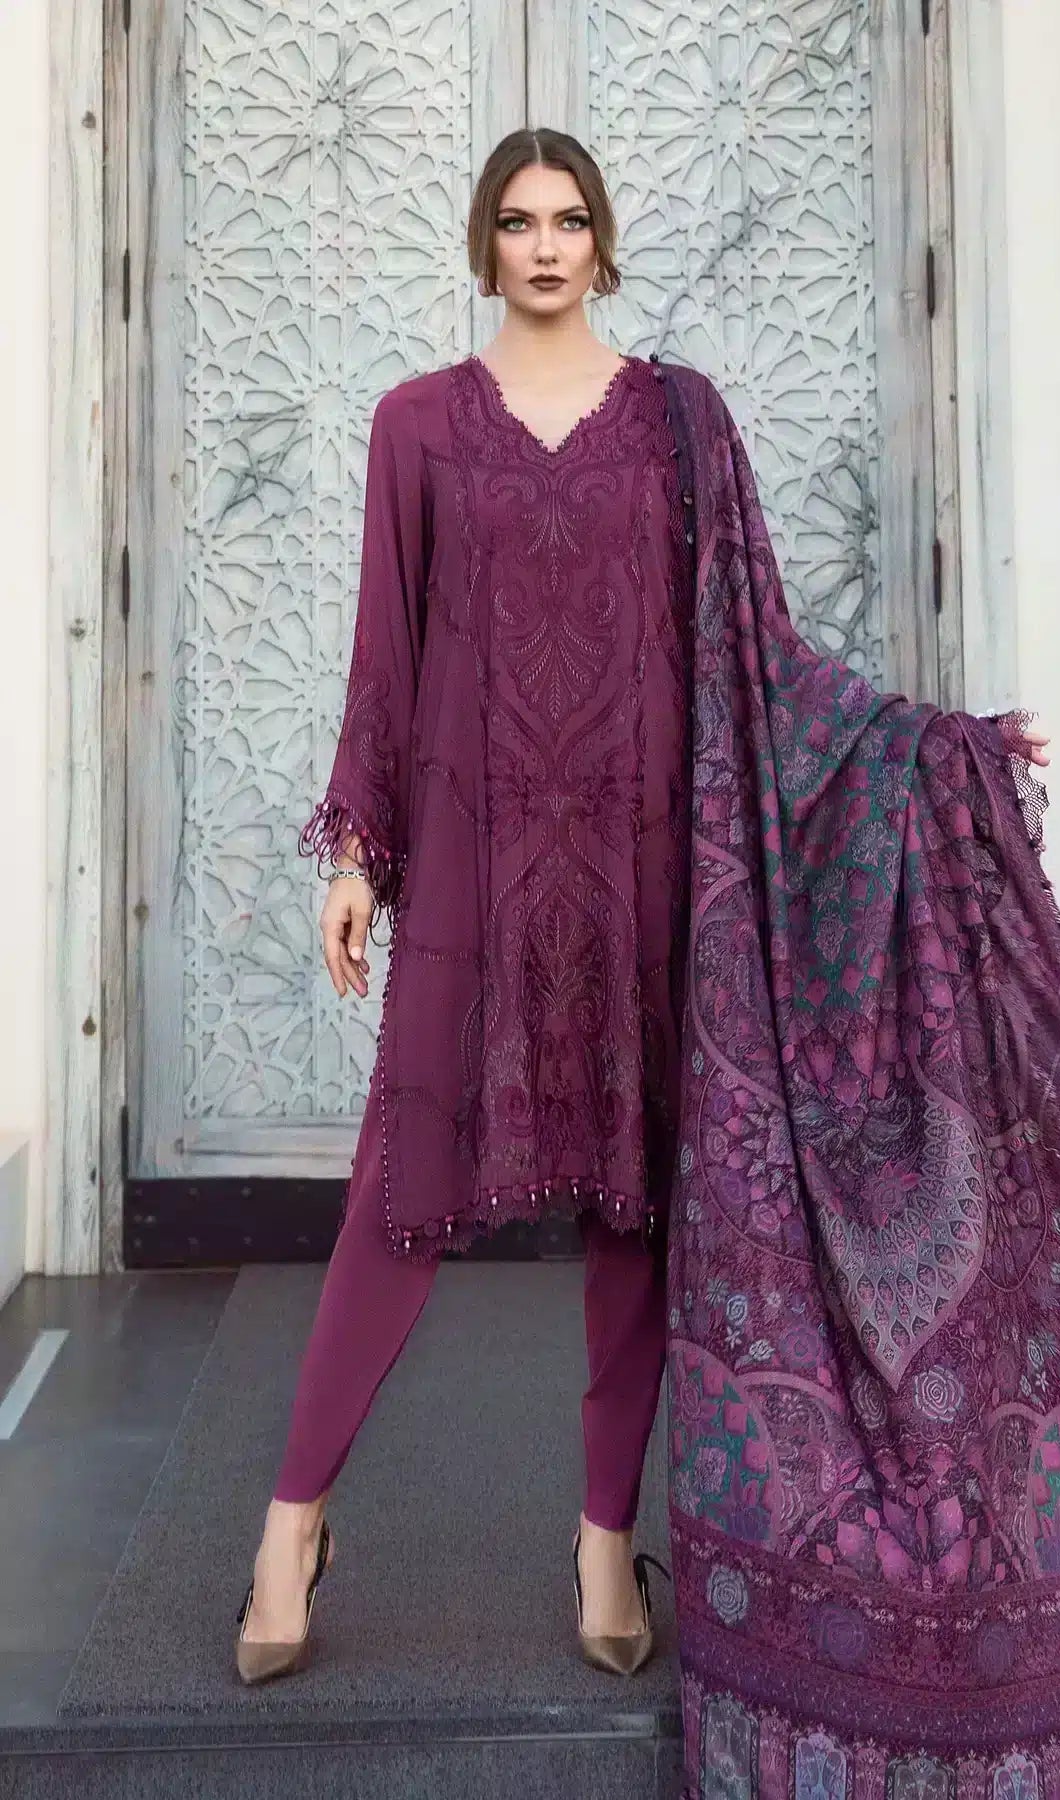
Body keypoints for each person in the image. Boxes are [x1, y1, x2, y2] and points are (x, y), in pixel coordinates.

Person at [235, 126, 705, 1684]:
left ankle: (603, 1544)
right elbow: (388, 648)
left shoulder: (677, 427)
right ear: (484, 242)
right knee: (400, 1194)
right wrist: (357, 854)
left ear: (603, 239)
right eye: (519, 221)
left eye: (570, 219)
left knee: (636, 1205)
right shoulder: (419, 425)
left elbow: (740, 647)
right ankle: (291, 1527)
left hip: (636, 864)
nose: (547, 245)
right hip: (474, 860)